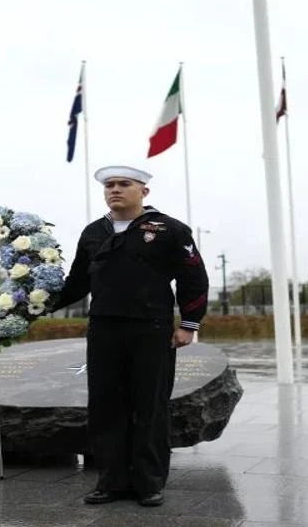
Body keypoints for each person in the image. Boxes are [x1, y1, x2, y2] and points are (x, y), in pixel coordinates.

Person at [52, 165, 210, 508]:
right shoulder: (94, 232)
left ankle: (150, 483)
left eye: (124, 184)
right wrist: (37, 304)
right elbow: (77, 282)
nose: (115, 190)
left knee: (149, 407)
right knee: (106, 406)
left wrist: (189, 323)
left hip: (151, 329)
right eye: (110, 185)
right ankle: (111, 482)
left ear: (144, 191)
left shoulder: (170, 230)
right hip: (104, 329)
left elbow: (193, 279)